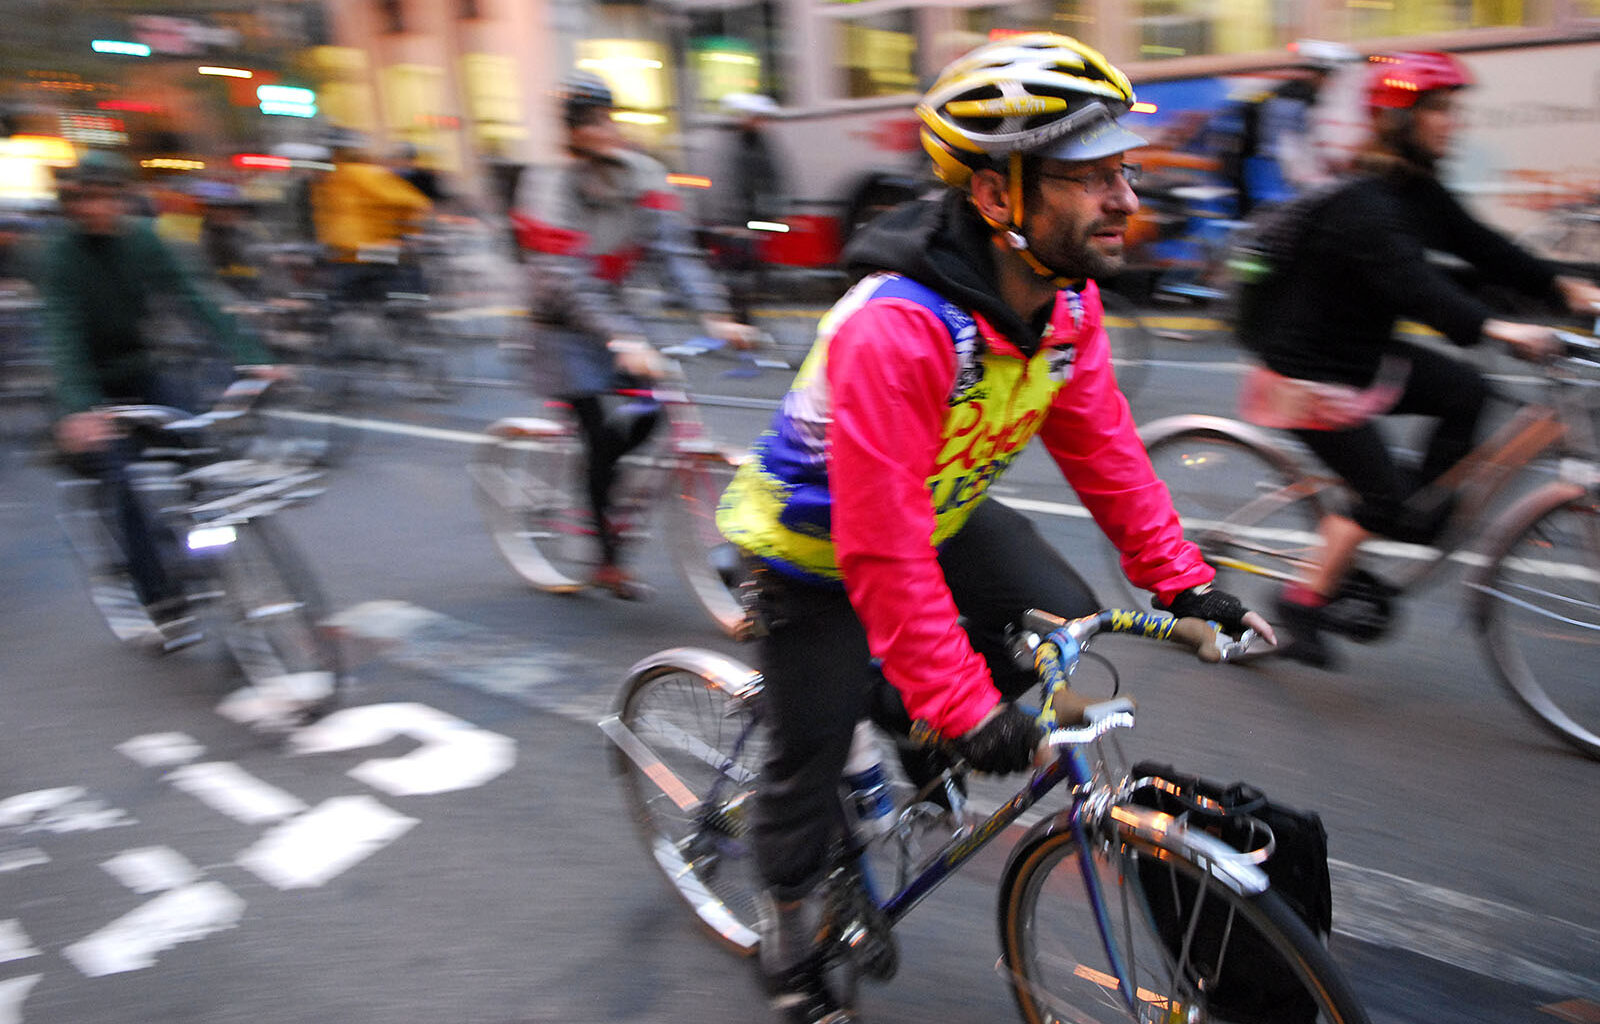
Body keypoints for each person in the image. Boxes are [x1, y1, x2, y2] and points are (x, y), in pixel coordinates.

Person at [714, 34, 1274, 1024]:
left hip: (937, 511)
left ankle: (908, 713)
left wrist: (1183, 582)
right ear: (993, 196)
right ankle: (788, 938)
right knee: (810, 755)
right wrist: (961, 704)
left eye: (1124, 171)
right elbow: (879, 549)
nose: (1124, 200)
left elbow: (1106, 451)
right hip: (816, 550)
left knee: (1062, 619)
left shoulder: (1067, 304)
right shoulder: (896, 329)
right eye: (1088, 177)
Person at [1241, 51, 1600, 667]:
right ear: (1399, 119)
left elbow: (1487, 248)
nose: (1453, 123)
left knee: (1468, 391)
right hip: (1308, 373)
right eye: (1439, 110)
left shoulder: (1416, 191)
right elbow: (1416, 286)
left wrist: (1566, 288)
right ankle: (1301, 600)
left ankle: (1413, 507)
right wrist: (1496, 327)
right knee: (1393, 506)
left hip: (1360, 354)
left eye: (1454, 111)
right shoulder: (1364, 204)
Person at [510, 71, 758, 597]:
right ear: (570, 131)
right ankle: (606, 559)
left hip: (617, 318)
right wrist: (622, 339)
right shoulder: (548, 185)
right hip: (561, 328)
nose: (604, 128)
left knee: (654, 409)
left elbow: (675, 255)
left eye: (606, 117)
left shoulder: (643, 174)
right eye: (589, 121)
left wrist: (716, 315)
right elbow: (566, 282)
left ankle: (613, 494)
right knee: (600, 436)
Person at [36, 149, 283, 639]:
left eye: (107, 197)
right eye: (85, 199)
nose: (97, 208)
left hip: (141, 370)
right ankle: (159, 596)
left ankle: (206, 548)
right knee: (121, 481)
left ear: (121, 198)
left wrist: (250, 356)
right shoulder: (60, 257)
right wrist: (80, 409)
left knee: (197, 443)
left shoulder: (145, 241)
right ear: (72, 204)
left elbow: (194, 297)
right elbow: (62, 335)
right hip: (90, 386)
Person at [310, 134, 433, 304]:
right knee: (404, 283)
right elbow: (414, 203)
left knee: (343, 302)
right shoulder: (360, 174)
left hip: (347, 254)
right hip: (364, 252)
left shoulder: (331, 178)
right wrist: (409, 234)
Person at [705, 92, 787, 326]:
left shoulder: (760, 142)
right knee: (736, 273)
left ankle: (742, 318)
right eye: (756, 118)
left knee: (751, 271)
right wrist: (730, 222)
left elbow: (773, 177)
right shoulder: (728, 143)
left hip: (752, 221)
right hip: (733, 223)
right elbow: (723, 182)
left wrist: (776, 211)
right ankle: (737, 320)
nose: (761, 123)